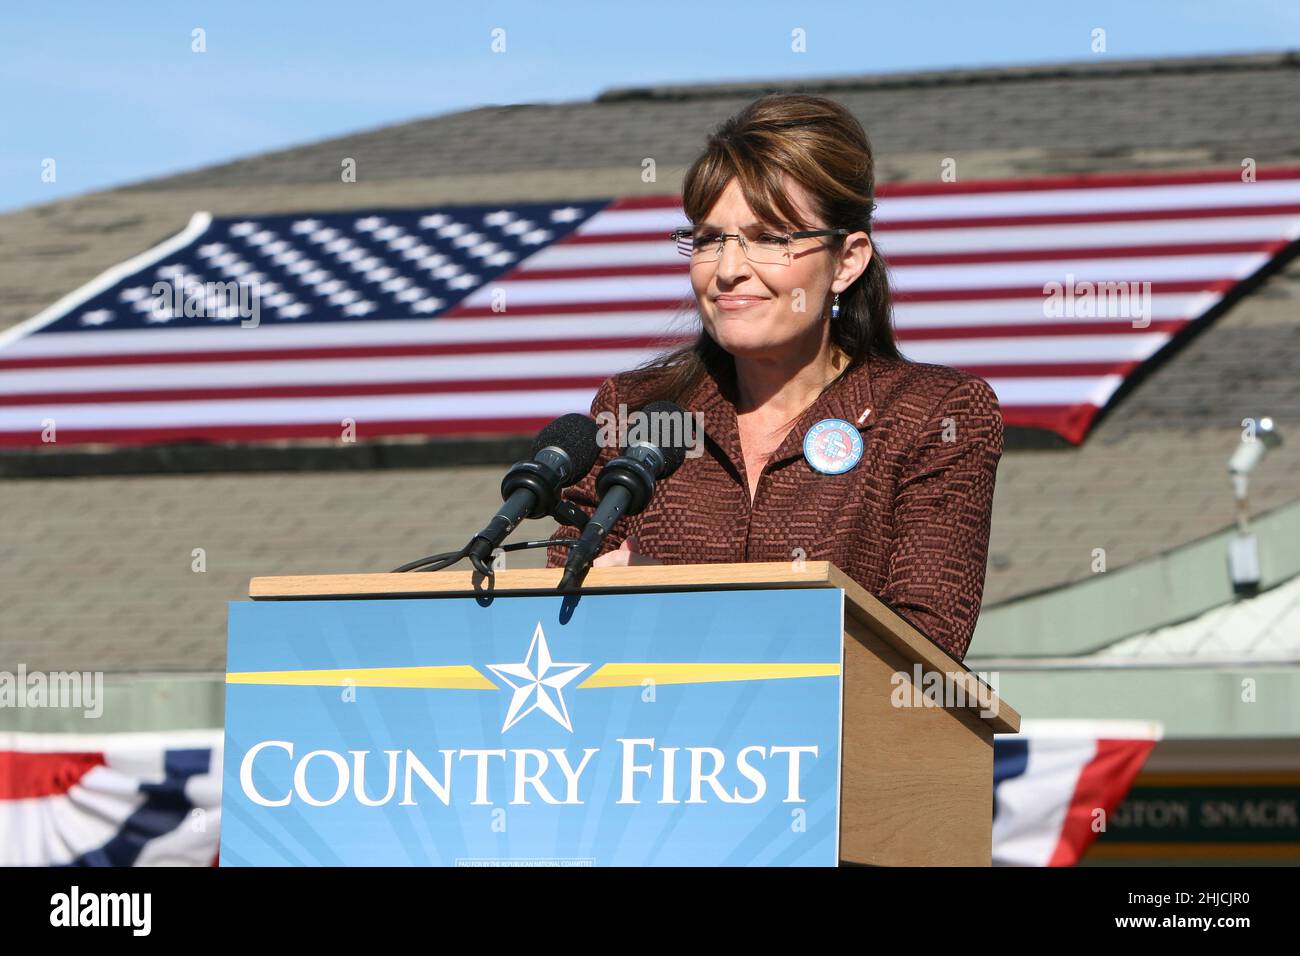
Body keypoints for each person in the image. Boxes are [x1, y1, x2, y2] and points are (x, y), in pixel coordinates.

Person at [545, 93, 1003, 661]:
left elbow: (921, 648)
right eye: (709, 239)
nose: (729, 270)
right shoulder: (635, 410)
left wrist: (671, 599)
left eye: (770, 238)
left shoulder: (935, 414)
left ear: (847, 261)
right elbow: (564, 615)